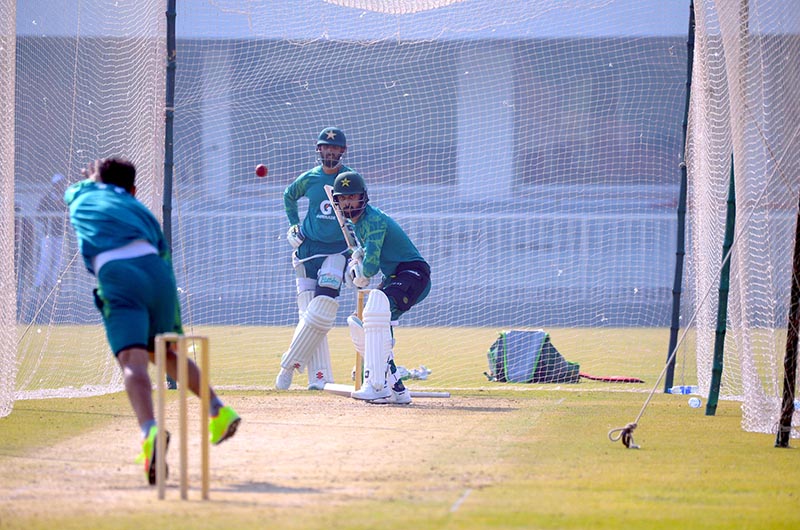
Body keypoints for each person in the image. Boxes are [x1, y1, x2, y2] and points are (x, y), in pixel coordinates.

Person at [64, 157, 241, 485]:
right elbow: (165, 258)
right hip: (157, 274)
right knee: (168, 353)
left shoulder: (83, 193)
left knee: (132, 360)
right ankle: (218, 409)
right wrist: (173, 319)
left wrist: (92, 179)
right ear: (132, 190)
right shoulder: (142, 211)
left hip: (118, 273)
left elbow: (78, 187)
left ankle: (150, 432)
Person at [330, 171, 431, 404]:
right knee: (375, 322)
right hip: (396, 275)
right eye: (342, 198)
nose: (347, 202)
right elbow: (369, 257)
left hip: (412, 273)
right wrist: (358, 256)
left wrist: (360, 271)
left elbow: (372, 267)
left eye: (351, 197)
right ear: (336, 201)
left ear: (362, 197)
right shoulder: (358, 224)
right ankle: (395, 387)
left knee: (375, 310)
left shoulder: (372, 220)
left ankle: (377, 386)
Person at [276, 127, 356, 390]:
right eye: (326, 147)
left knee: (322, 308)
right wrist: (293, 225)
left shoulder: (348, 180)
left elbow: (361, 207)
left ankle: (287, 367)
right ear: (319, 149)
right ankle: (319, 378)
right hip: (308, 250)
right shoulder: (309, 178)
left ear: (342, 151)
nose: (330, 151)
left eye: (335, 148)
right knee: (310, 314)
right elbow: (289, 196)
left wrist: (360, 242)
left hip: (336, 250)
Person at [33, 173, 69, 294]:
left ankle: (53, 284)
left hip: (60, 234)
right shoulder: (47, 198)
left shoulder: (66, 199)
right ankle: (39, 283)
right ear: (54, 185)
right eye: (58, 184)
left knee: (58, 260)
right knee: (45, 258)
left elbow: (70, 214)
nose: (60, 186)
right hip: (48, 233)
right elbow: (38, 214)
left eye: (61, 184)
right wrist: (50, 216)